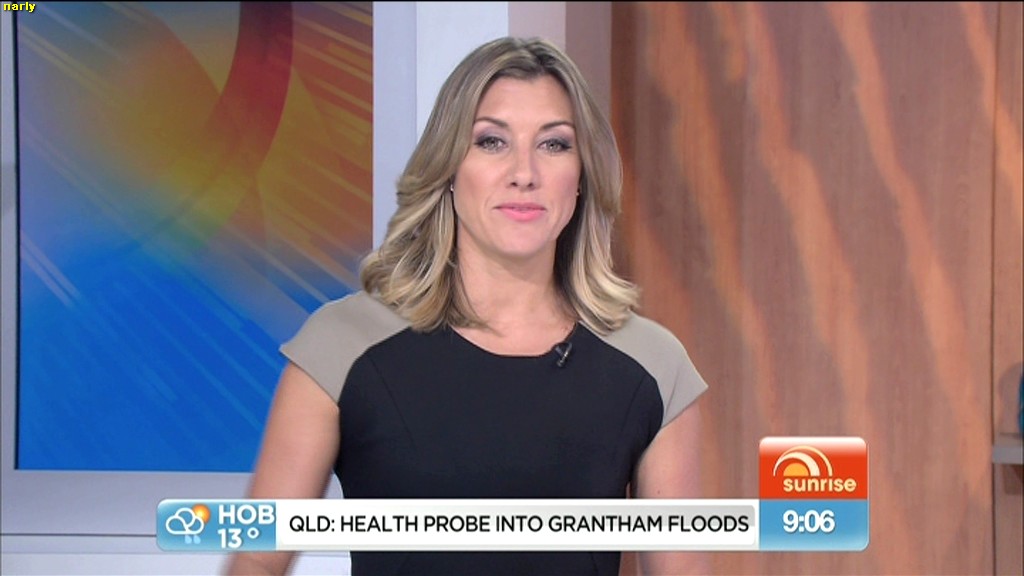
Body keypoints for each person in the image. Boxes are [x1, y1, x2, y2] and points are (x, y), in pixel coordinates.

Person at [226, 36, 708, 576]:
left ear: (582, 178)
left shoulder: (653, 365)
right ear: (449, 170)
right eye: (491, 141)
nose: (524, 173)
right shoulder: (342, 346)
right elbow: (258, 560)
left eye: (554, 144)